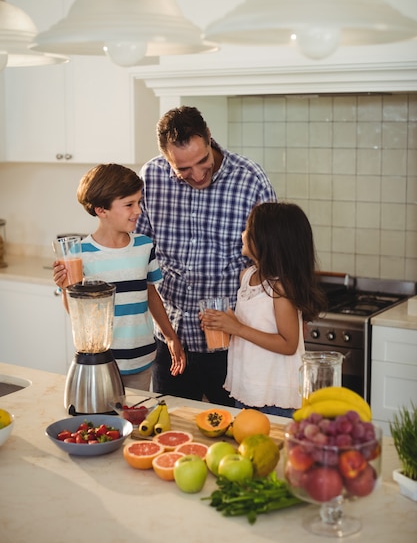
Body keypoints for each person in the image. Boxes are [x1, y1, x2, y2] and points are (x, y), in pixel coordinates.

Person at [135, 105, 277, 404]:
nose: (198, 175)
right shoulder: (152, 177)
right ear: (165, 158)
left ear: (210, 138)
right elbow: (140, 251)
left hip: (232, 344)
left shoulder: (249, 178)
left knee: (232, 436)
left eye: (203, 161)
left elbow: (274, 261)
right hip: (172, 341)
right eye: (183, 169)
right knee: (168, 429)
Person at [53, 163, 185, 390]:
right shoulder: (79, 254)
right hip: (101, 360)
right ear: (101, 210)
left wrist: (170, 336)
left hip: (142, 356)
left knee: (134, 418)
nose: (139, 211)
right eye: (129, 204)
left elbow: (150, 294)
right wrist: (66, 286)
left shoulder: (144, 246)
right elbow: (77, 313)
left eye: (139, 202)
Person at [200, 202, 327, 417]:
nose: (243, 234)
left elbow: (288, 344)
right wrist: (225, 323)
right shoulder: (247, 276)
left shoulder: (281, 288)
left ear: (266, 240)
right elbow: (252, 327)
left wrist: (237, 327)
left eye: (248, 229)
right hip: (247, 388)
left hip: (275, 395)